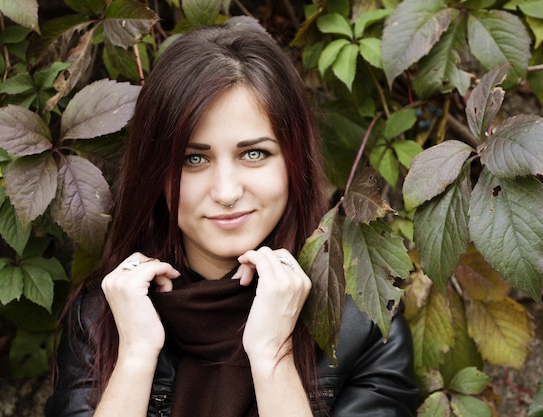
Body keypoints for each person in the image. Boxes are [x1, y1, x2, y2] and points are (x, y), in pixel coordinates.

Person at [45, 18, 419, 417]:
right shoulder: (104, 316)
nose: (226, 192)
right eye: (194, 158)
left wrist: (273, 357)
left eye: (253, 154)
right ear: (156, 173)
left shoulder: (362, 325)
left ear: (295, 161)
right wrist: (135, 357)